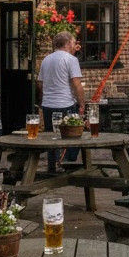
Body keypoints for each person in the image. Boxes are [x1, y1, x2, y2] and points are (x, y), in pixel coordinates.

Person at [36, 31, 84, 171]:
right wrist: (82, 103)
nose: (76, 45)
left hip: (48, 104)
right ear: (68, 43)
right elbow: (76, 84)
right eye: (74, 42)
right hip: (65, 103)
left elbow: (40, 83)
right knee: (73, 135)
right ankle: (69, 164)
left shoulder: (46, 59)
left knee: (52, 137)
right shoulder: (71, 60)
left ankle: (53, 166)